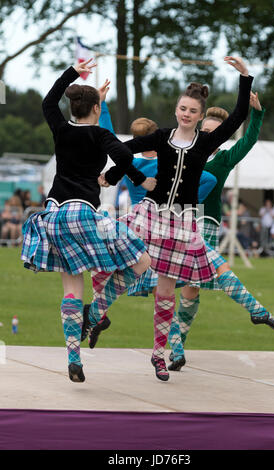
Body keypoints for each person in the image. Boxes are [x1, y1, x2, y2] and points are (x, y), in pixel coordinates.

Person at [95, 56, 254, 382]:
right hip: (145, 220)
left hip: (177, 226)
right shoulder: (161, 140)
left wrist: (245, 78)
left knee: (164, 291)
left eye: (193, 110)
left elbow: (237, 117)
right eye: (183, 108)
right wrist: (112, 172)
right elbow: (121, 145)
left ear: (199, 115)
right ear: (176, 110)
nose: (186, 113)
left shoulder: (206, 142)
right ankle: (94, 315)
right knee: (105, 256)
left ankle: (158, 354)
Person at [21, 59, 154, 383]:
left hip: (55, 216)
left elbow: (49, 101)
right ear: (96, 108)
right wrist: (111, 176)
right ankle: (94, 314)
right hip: (85, 214)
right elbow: (123, 155)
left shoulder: (61, 128)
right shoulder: (100, 134)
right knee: (142, 261)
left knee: (71, 287)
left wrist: (74, 73)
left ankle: (73, 357)